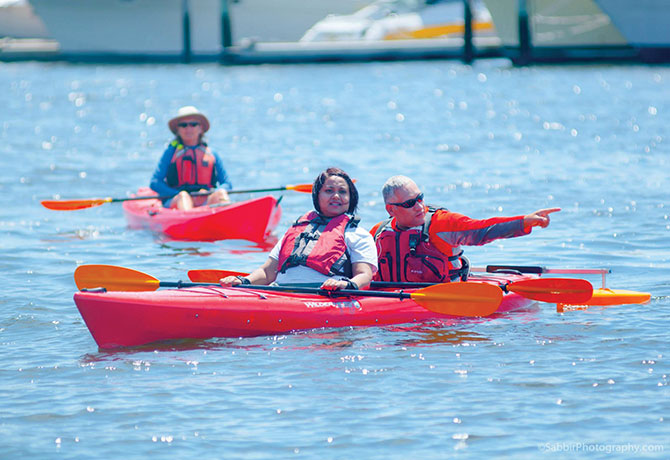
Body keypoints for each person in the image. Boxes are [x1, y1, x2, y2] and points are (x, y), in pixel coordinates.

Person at [370, 175, 561, 283]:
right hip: (388, 298)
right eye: (410, 203)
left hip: (441, 296)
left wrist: (525, 221)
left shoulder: (441, 223)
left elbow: (482, 230)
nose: (419, 206)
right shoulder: (378, 233)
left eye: (420, 198)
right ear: (391, 209)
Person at [220, 167, 377, 291]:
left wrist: (346, 285)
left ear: (351, 198)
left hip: (324, 295)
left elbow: (364, 275)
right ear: (317, 196)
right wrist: (244, 280)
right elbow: (267, 272)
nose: (336, 196)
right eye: (329, 191)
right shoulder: (297, 229)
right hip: (280, 292)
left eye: (342, 192)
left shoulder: (357, 234)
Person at [150, 106, 231, 210]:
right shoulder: (170, 153)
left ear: (201, 128)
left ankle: (228, 219)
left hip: (205, 200)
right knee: (184, 197)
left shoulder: (212, 153)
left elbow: (226, 183)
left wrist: (209, 193)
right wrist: (177, 194)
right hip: (177, 200)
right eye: (183, 125)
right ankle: (190, 221)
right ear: (178, 130)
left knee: (221, 194)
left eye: (193, 124)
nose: (188, 129)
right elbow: (155, 182)